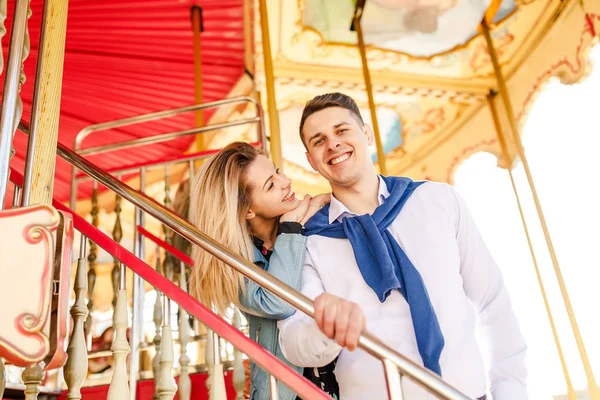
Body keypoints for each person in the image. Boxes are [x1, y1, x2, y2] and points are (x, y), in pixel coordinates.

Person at [277, 92, 528, 400]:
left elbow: (492, 301)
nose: (333, 144)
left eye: (342, 130)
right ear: (311, 161)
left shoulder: (438, 200)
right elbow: (292, 339)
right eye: (318, 141)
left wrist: (509, 392)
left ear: (366, 134)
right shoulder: (311, 241)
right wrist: (325, 328)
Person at [188, 142, 339, 400]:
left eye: (278, 171)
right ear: (247, 210)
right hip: (284, 391)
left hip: (336, 378)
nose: (286, 181)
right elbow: (278, 303)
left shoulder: (309, 223)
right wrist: (291, 228)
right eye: (271, 185)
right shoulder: (236, 264)